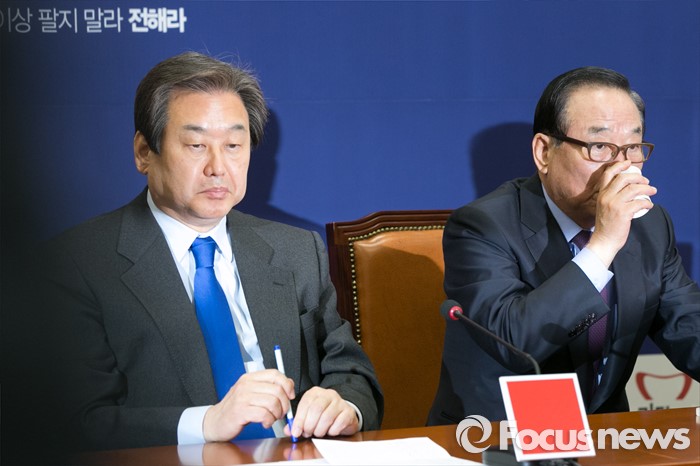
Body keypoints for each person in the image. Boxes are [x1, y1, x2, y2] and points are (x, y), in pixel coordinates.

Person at [40, 51, 383, 454]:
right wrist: (207, 423)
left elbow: (351, 372)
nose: (218, 167)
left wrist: (344, 406)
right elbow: (78, 421)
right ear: (144, 152)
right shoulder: (78, 263)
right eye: (196, 145)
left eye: (234, 145)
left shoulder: (296, 251)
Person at [428, 66, 700, 424]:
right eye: (600, 147)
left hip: (609, 435)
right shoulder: (482, 226)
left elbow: (687, 327)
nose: (622, 168)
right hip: (497, 435)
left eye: (633, 148)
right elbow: (515, 342)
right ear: (544, 152)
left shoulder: (649, 225)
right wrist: (603, 245)